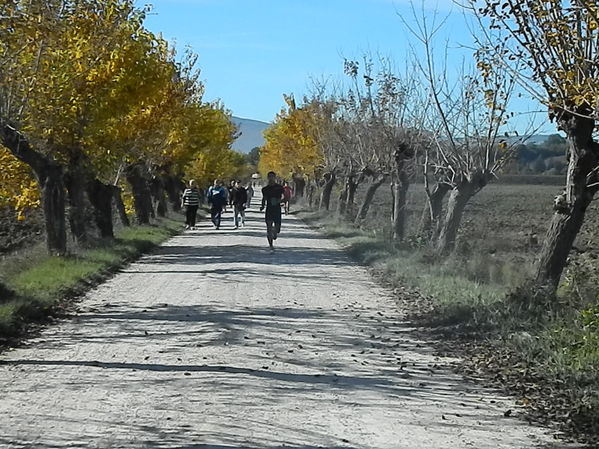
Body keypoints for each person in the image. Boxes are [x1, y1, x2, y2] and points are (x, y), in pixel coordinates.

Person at [261, 171, 285, 251]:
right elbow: (264, 198)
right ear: (268, 178)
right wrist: (262, 205)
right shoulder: (265, 189)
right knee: (269, 228)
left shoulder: (280, 187)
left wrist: (280, 201)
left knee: (277, 228)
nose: (271, 178)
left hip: (277, 209)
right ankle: (270, 245)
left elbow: (283, 197)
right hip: (269, 209)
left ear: (275, 177)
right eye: (270, 177)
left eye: (272, 177)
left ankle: (275, 233)